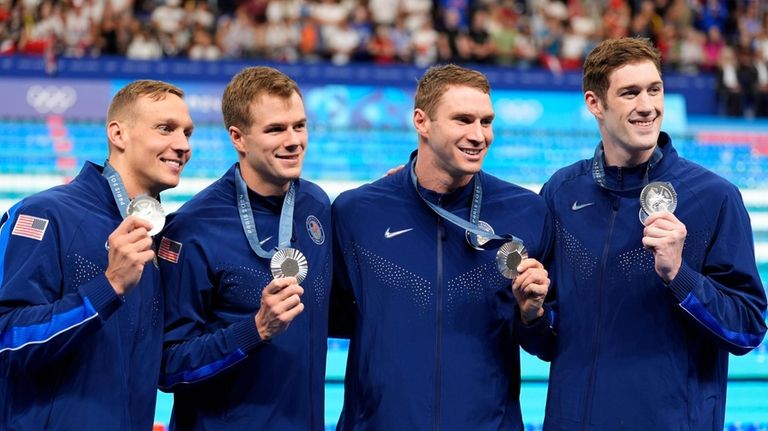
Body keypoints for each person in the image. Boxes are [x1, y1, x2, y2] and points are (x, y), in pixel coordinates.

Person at [533, 37, 767, 430]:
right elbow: (547, 334)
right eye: (629, 93)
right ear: (595, 103)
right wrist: (531, 314)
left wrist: (681, 276)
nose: (647, 106)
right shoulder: (562, 191)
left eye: (654, 89)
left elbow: (747, 329)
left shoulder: (713, 197)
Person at [330, 64, 553, 430]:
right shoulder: (357, 212)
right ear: (422, 121)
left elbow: (549, 343)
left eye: (486, 121)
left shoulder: (526, 212)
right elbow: (335, 317)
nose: (479, 135)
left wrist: (532, 315)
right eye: (463, 120)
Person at [0, 80, 194, 429]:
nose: (181, 145)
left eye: (187, 133)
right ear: (118, 135)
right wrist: (109, 286)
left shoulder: (161, 238)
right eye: (166, 129)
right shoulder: (43, 214)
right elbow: (5, 339)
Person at [157, 66, 331, 430]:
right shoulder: (192, 228)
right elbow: (167, 366)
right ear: (238, 137)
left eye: (299, 126)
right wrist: (256, 329)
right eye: (275, 129)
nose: (294, 140)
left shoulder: (316, 205)